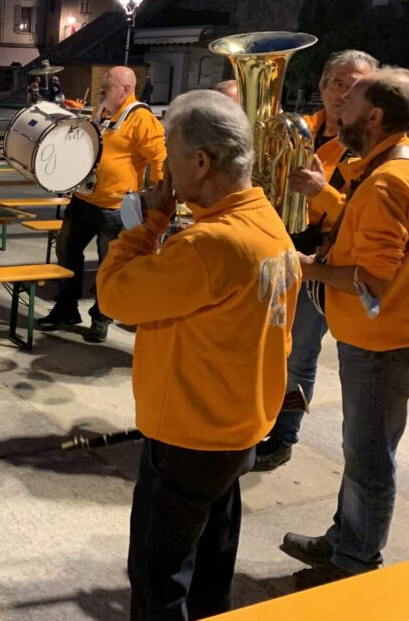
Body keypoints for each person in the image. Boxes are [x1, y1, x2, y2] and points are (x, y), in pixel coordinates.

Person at [98, 89, 299, 620]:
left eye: (170, 149)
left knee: (156, 572)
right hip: (238, 424)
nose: (163, 164)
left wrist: (151, 223)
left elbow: (114, 295)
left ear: (203, 162)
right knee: (212, 562)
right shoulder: (266, 220)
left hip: (191, 432)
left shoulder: (209, 245)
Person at [282, 68, 409, 588]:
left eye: (349, 103)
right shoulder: (384, 168)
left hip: (380, 341)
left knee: (369, 457)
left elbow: (373, 281)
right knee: (363, 450)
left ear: (374, 116)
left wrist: (308, 267)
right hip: (378, 338)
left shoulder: (386, 181)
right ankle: (344, 538)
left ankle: (355, 563)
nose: (339, 111)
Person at [254, 50, 379, 472]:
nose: (343, 94)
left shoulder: (375, 146)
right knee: (266, 342)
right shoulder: (302, 130)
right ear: (323, 88)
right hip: (277, 247)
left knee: (300, 353)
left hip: (319, 259)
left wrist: (321, 192)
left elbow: (364, 212)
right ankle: (257, 418)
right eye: (336, 83)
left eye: (355, 85)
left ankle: (284, 435)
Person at [39, 66, 166, 342]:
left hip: (116, 207)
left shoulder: (141, 118)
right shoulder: (103, 111)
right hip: (84, 200)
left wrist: (156, 200)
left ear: (126, 89)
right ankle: (66, 308)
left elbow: (159, 160)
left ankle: (102, 316)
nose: (102, 89)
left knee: (110, 267)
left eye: (107, 86)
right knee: (66, 253)